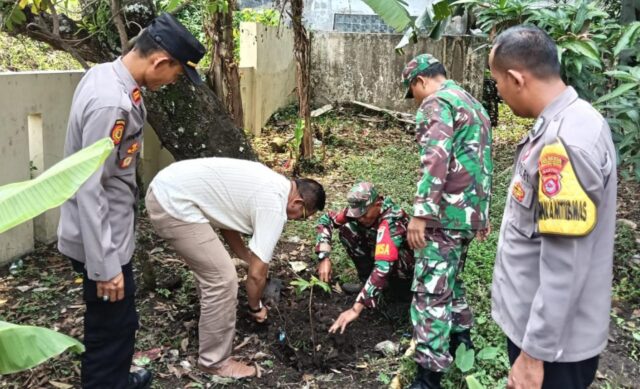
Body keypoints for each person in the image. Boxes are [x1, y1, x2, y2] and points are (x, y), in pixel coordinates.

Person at [56, 13, 205, 389]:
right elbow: (90, 188)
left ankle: (118, 378)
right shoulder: (114, 104)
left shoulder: (107, 76)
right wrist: (105, 265)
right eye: (175, 74)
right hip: (101, 243)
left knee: (119, 323)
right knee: (111, 329)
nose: (172, 82)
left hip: (107, 234)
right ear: (160, 61)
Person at [489, 25, 616, 389]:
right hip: (540, 335)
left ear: (517, 78)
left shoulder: (567, 142)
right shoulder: (566, 123)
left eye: (497, 83)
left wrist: (533, 356)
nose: (498, 92)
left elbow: (566, 264)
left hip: (550, 350)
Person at [144, 157, 325, 378]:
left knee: (214, 272)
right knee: (222, 279)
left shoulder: (272, 183)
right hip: (174, 205)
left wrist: (248, 259)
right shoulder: (274, 205)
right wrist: (256, 308)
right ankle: (215, 361)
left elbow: (226, 222)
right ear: (297, 204)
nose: (297, 220)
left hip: (167, 189)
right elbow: (257, 277)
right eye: (303, 217)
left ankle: (212, 321)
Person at [401, 54, 493, 389]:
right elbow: (481, 160)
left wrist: (421, 213)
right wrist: (481, 214)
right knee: (450, 281)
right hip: (469, 214)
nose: (416, 102)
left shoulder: (436, 103)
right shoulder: (473, 104)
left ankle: (429, 377)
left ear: (420, 81)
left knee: (430, 292)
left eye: (414, 93)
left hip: (444, 217)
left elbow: (435, 158)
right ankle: (462, 342)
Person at [311, 182, 413, 334]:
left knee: (395, 261)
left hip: (407, 266)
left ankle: (402, 296)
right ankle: (368, 284)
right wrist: (324, 256)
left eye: (364, 214)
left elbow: (383, 266)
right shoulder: (357, 213)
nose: (361, 219)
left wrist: (355, 308)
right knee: (347, 230)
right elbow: (326, 221)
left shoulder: (391, 220)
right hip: (379, 255)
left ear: (378, 203)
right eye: (357, 215)